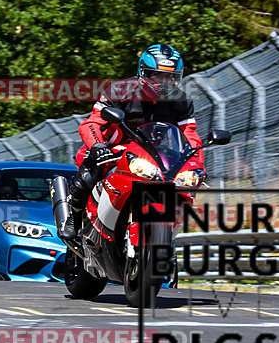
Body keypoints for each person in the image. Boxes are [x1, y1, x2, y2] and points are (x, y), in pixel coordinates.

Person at [56, 43, 204, 240]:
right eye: (157, 75)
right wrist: (97, 146)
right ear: (143, 72)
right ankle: (73, 217)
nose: (164, 82)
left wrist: (196, 164)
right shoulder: (119, 90)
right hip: (113, 148)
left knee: (182, 184)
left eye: (170, 77)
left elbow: (191, 135)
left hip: (155, 156)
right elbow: (91, 123)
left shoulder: (182, 101)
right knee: (87, 177)